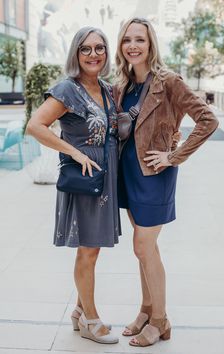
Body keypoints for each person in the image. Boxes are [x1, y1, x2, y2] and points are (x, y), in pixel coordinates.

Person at [114, 17, 219, 347]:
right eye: (127, 39)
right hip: (128, 174)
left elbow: (208, 119)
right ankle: (146, 311)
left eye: (140, 40)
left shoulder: (168, 80)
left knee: (142, 246)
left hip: (155, 176)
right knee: (145, 250)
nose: (133, 45)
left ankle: (160, 320)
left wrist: (174, 155)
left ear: (150, 44)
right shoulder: (122, 85)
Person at [26, 27, 121, 344]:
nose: (94, 54)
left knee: (93, 247)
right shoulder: (67, 89)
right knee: (88, 250)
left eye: (100, 48)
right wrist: (74, 151)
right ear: (75, 54)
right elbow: (35, 125)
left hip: (105, 177)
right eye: (86, 49)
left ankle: (80, 312)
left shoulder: (107, 89)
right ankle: (92, 321)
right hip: (85, 178)